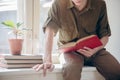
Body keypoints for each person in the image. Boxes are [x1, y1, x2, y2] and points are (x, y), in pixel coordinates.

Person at [33, 0, 120, 80]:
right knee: (71, 69)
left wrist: (95, 50)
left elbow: (105, 36)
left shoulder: (100, 4)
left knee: (116, 70)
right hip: (69, 52)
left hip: (95, 50)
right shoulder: (58, 4)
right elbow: (49, 31)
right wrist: (48, 60)